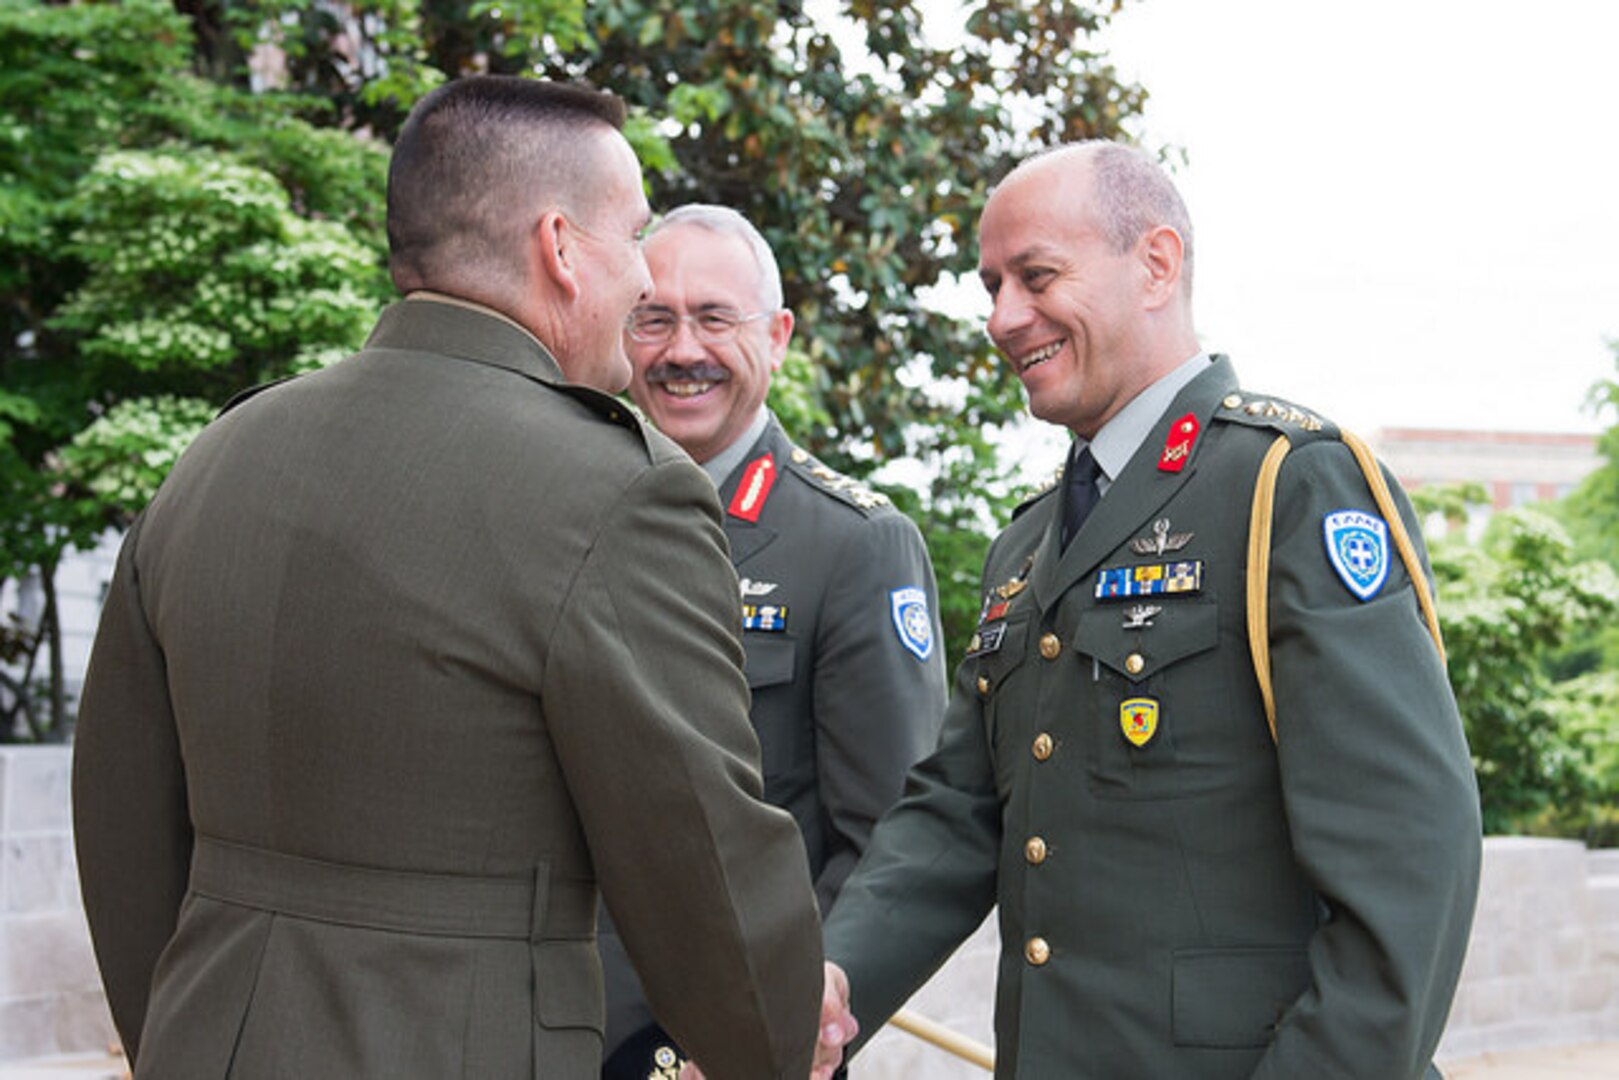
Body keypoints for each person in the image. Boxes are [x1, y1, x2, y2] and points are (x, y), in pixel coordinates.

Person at [71, 76, 835, 1080]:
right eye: (634, 236)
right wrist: (768, 1045)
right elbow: (702, 866)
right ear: (560, 248)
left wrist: (187, 1028)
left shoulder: (220, 455)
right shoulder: (615, 491)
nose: (645, 277)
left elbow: (121, 820)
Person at [816, 141, 1483, 1078]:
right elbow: (957, 814)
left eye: (1036, 276)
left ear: (1156, 265)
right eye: (992, 285)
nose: (1004, 316)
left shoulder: (1285, 486)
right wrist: (832, 981)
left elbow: (1411, 861)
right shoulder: (1028, 542)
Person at [600, 204, 949, 1078]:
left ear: (779, 335)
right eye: (654, 318)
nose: (683, 349)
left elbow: (889, 837)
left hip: (719, 1051)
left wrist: (790, 1025)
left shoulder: (853, 545)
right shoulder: (563, 511)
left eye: (716, 318)